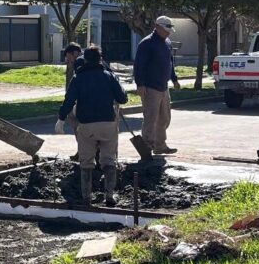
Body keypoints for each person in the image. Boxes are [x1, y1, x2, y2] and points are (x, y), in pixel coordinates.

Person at [55, 46, 128, 206]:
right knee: (109, 160)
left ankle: (86, 197)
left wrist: (61, 119)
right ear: (100, 59)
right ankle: (109, 196)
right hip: (108, 124)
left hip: (86, 125)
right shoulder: (109, 76)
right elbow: (123, 98)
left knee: (86, 162)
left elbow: (69, 100)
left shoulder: (78, 78)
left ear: (85, 60)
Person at [133, 15, 181, 155]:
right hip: (150, 87)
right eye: (166, 29)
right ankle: (147, 146)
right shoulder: (146, 43)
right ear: (157, 27)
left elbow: (170, 63)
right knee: (151, 118)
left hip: (163, 87)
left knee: (165, 117)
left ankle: (160, 145)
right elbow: (139, 65)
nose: (168, 32)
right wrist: (140, 84)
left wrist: (174, 79)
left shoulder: (167, 42)